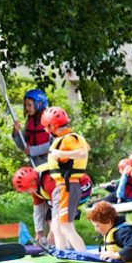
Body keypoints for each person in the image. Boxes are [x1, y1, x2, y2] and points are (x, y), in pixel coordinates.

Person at [41, 106, 88, 251]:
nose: (45, 130)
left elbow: (82, 153)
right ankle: (61, 253)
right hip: (61, 186)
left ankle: (84, 255)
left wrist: (60, 153)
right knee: (56, 226)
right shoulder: (63, 139)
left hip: (68, 186)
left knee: (66, 226)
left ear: (52, 126)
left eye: (46, 127)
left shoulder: (68, 139)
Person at [12, 88, 51, 167]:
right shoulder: (30, 121)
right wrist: (16, 133)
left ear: (39, 104)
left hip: (49, 165)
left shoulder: (50, 119)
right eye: (25, 105)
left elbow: (55, 145)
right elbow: (23, 146)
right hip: (33, 165)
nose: (26, 108)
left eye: (29, 105)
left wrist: (33, 150)